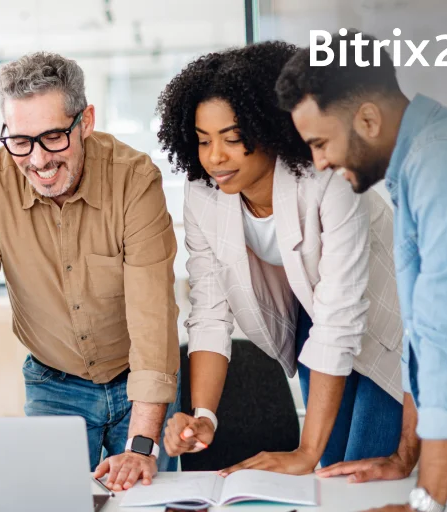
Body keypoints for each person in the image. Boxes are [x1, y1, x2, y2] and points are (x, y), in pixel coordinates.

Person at [275, 30, 447, 512]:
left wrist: (426, 503)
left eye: (320, 142)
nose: (319, 162)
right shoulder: (418, 167)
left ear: (368, 119)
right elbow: (422, 335)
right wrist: (403, 456)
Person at [0, 51, 181, 493]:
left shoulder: (134, 179)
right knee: (52, 502)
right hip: (54, 382)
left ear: (85, 121)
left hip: (138, 382)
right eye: (20, 141)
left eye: (52, 137)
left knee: (150, 499)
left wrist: (142, 444)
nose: (38, 160)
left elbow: (152, 314)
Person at [157, 41, 404, 475]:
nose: (215, 157)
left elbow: (341, 318)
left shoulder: (326, 177)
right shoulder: (203, 195)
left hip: (386, 327)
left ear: (270, 128)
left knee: (360, 471)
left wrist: (304, 453)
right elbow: (211, 312)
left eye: (233, 139)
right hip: (315, 321)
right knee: (332, 470)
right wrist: (204, 416)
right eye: (202, 141)